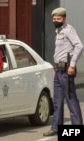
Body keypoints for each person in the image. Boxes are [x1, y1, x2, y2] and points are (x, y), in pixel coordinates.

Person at [43, 7, 83, 136]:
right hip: (59, 70)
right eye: (54, 19)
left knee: (71, 99)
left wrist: (72, 65)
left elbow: (79, 46)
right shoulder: (58, 31)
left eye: (58, 19)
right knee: (57, 100)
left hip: (67, 70)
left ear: (64, 19)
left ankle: (77, 130)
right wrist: (56, 67)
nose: (56, 20)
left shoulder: (68, 30)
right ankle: (56, 128)